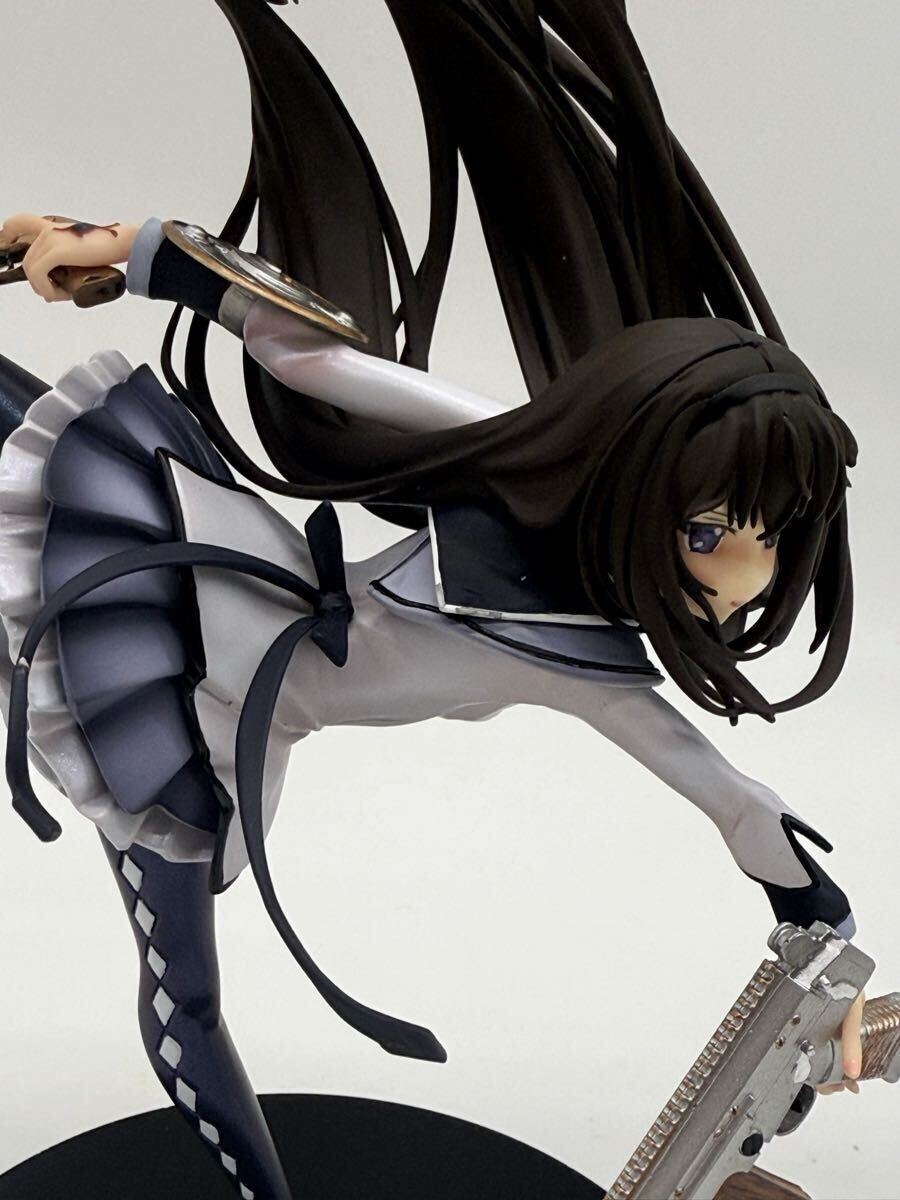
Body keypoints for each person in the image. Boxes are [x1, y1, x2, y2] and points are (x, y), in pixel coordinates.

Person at [0, 2, 867, 1196]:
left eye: (772, 534)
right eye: (712, 533)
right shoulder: (532, 458)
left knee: (185, 994)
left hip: (255, 708)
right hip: (210, 642)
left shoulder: (591, 658)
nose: (745, 572)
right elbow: (314, 360)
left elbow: (728, 797)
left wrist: (815, 918)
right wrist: (128, 247)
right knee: (188, 1002)